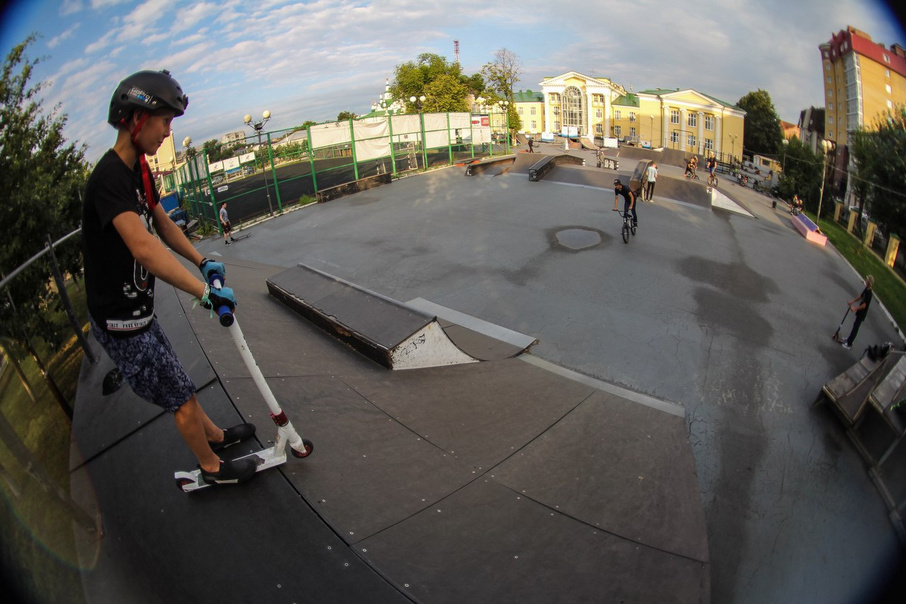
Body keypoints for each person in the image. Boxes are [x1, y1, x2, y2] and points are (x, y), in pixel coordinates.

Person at [82, 69, 258, 485]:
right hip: (120, 322)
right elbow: (143, 247)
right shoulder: (108, 179)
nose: (167, 131)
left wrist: (202, 261)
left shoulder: (138, 170)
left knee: (180, 382)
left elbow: (161, 223)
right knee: (179, 397)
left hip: (137, 310)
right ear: (136, 119)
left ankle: (214, 436)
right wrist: (205, 295)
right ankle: (212, 469)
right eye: (164, 121)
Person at [842, 275, 874, 350]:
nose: (865, 280)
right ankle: (849, 339)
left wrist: (855, 308)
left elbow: (864, 305)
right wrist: (852, 301)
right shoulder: (866, 289)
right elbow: (860, 296)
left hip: (862, 313)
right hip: (860, 312)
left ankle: (849, 344)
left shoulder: (869, 293)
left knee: (856, 327)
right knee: (854, 325)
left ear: (869, 282)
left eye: (867, 280)